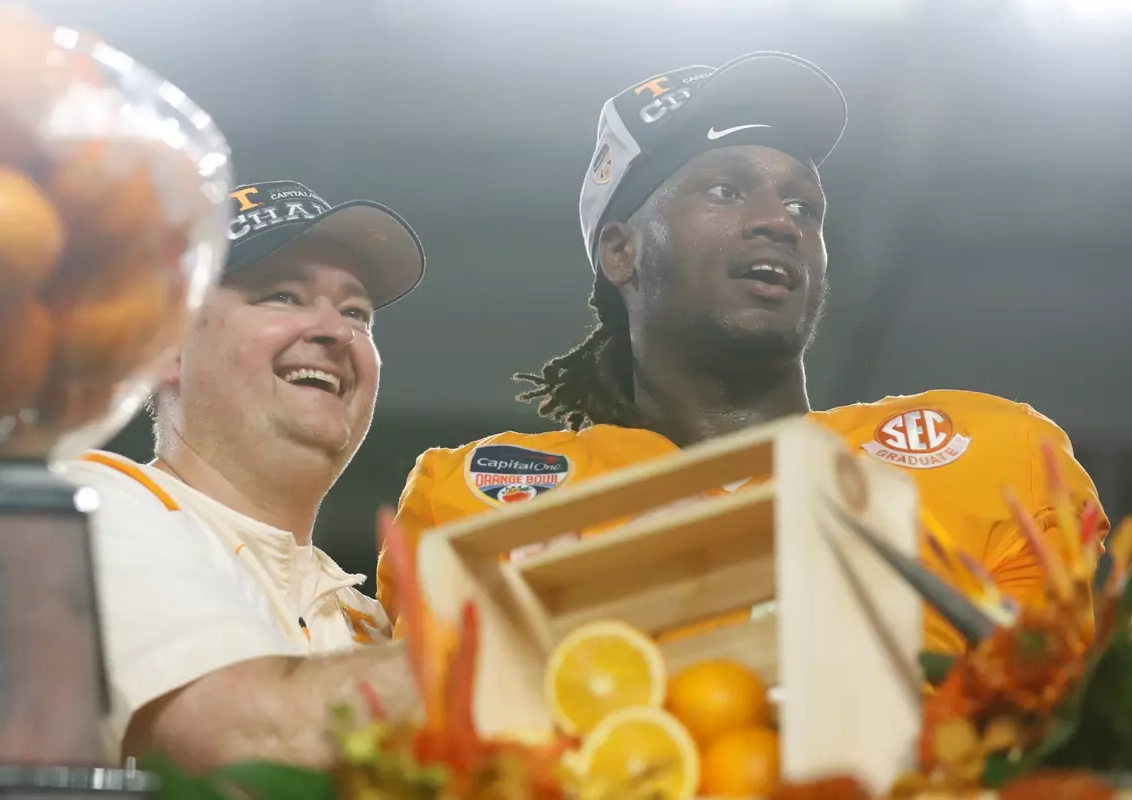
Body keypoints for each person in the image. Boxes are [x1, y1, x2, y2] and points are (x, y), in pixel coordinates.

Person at [379, 53, 1109, 654]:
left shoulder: (991, 457)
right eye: (726, 190)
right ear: (621, 251)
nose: (779, 224)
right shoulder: (481, 498)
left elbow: (1058, 738)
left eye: (804, 207)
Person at [61, 180, 425, 770]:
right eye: (282, 295)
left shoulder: (369, 620)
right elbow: (242, 743)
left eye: (356, 311)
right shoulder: (93, 508)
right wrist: (531, 640)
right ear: (168, 349)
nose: (337, 332)